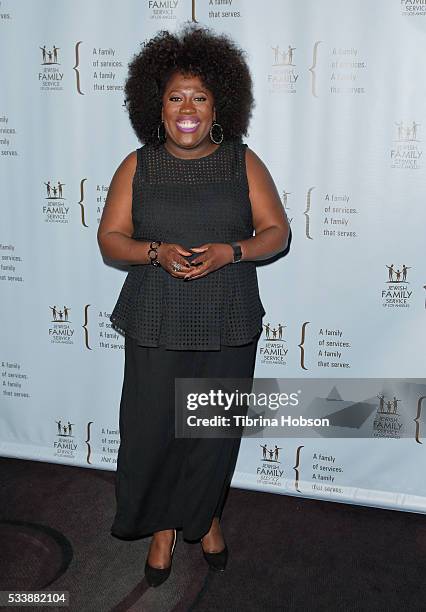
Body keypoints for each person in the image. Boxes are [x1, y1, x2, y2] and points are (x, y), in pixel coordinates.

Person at [97, 24, 290, 587]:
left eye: (199, 97)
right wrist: (155, 252)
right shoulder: (138, 166)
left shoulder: (241, 162)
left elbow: (276, 232)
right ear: (155, 107)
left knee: (211, 431)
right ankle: (162, 526)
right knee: (153, 430)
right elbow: (111, 240)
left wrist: (232, 252)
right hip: (155, 317)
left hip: (228, 317)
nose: (187, 109)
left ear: (217, 106)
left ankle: (203, 516)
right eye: (175, 97)